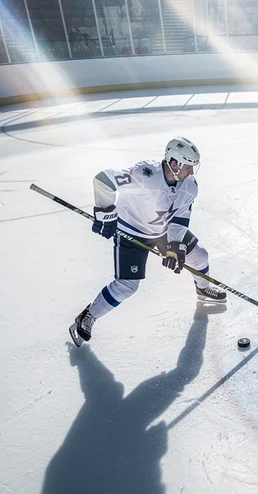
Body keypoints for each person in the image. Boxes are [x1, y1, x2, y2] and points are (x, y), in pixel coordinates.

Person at [69, 137, 226, 347]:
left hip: (162, 231)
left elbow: (179, 220)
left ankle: (203, 289)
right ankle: (88, 315)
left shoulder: (189, 186)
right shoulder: (145, 174)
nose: (191, 172)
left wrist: (174, 246)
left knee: (200, 256)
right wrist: (105, 212)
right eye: (188, 167)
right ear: (174, 164)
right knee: (127, 286)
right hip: (131, 230)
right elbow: (103, 180)